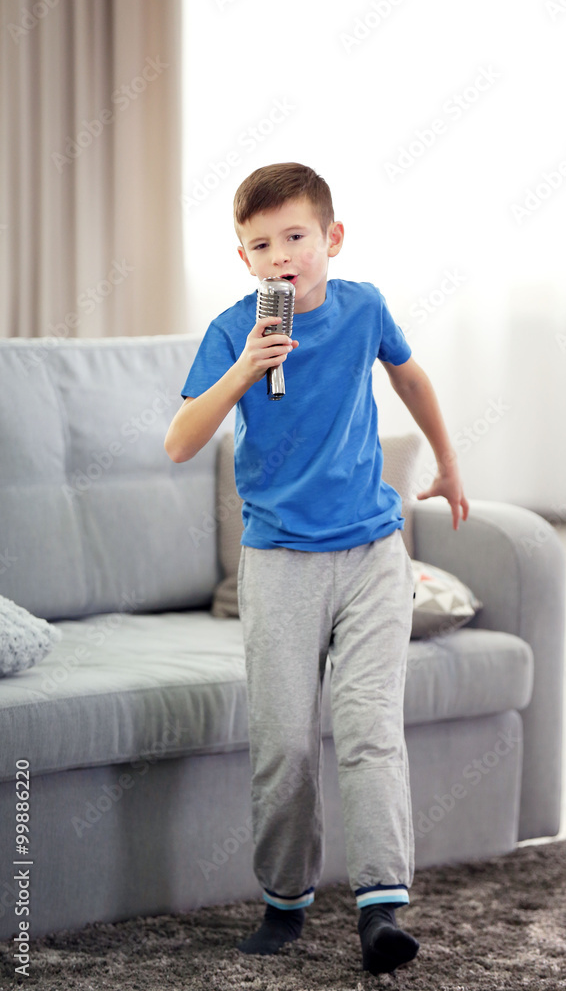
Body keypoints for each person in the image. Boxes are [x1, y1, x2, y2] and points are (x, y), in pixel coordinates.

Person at [164, 162, 469, 975]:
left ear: (330, 239)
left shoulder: (364, 306)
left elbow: (409, 374)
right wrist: (244, 369)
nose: (280, 256)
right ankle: (284, 902)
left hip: (372, 553)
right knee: (284, 744)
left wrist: (446, 461)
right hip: (280, 564)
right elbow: (179, 442)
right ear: (244, 260)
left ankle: (380, 908)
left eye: (295, 237)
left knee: (370, 731)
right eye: (259, 245)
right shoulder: (234, 331)